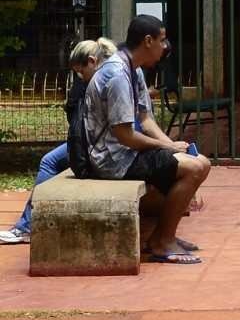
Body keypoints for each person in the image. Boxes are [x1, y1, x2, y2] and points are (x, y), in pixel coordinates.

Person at [83, 15, 212, 264]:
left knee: (200, 162)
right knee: (193, 168)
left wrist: (174, 147)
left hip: (128, 153)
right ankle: (162, 242)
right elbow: (126, 136)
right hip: (113, 160)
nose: (165, 47)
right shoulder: (118, 75)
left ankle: (164, 235)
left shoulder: (134, 70)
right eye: (162, 40)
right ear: (148, 41)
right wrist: (168, 146)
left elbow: (145, 118)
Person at [0, 38, 117, 245]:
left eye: (79, 72)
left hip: (103, 145)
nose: (79, 77)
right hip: (100, 140)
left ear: (91, 61)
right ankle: (26, 225)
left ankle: (26, 227)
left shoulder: (101, 78)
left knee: (49, 161)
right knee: (51, 160)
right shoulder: (114, 69)